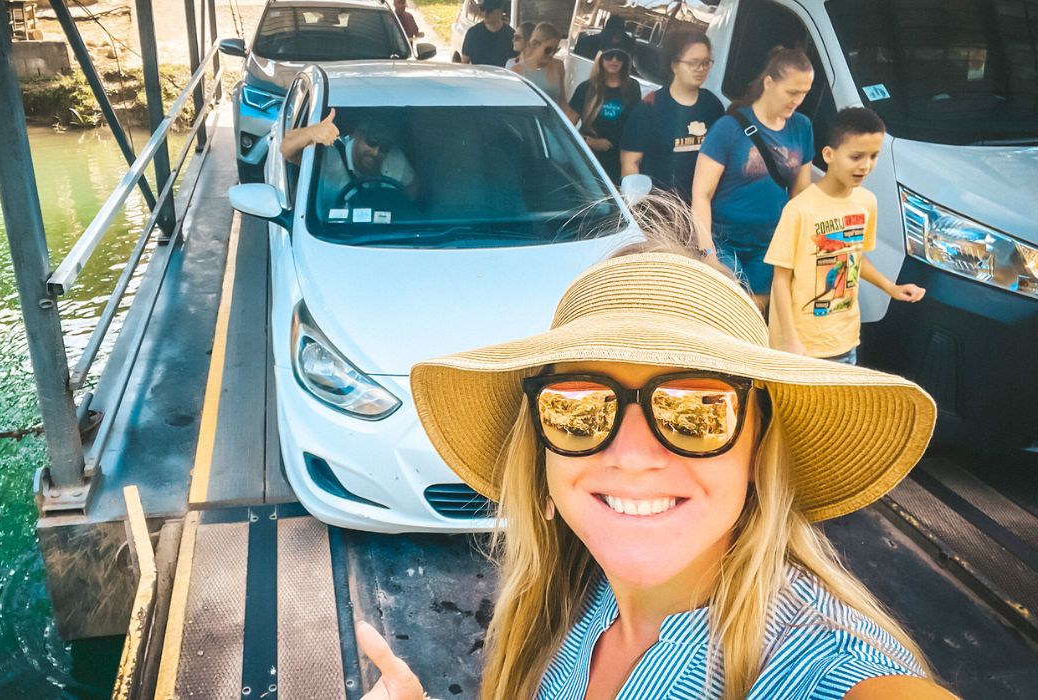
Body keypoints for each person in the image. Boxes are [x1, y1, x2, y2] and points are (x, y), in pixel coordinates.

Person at [355, 242, 956, 700]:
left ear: (759, 453)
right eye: (578, 408)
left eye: (697, 409)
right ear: (543, 468)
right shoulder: (568, 608)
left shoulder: (832, 671)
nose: (634, 456)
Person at [765, 107, 925, 365]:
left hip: (845, 340)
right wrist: (790, 340)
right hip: (800, 348)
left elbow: (854, 257)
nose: (866, 165)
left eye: (874, 156)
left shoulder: (866, 202)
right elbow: (780, 279)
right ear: (828, 154)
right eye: (856, 156)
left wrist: (891, 288)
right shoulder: (799, 209)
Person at [692, 47, 816, 311]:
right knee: (724, 313)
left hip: (769, 246)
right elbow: (701, 195)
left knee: (754, 315)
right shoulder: (728, 128)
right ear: (769, 83)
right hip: (724, 241)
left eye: (804, 93)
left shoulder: (802, 127)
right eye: (792, 92)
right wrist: (708, 254)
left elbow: (801, 195)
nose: (798, 100)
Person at [620, 31, 724, 200]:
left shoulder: (712, 105)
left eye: (706, 63)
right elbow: (630, 163)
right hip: (659, 210)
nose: (701, 69)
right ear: (674, 64)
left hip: (700, 209)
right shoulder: (650, 106)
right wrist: (640, 208)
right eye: (693, 63)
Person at [281, 109, 418, 206]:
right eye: (372, 142)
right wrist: (311, 132)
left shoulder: (394, 157)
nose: (376, 152)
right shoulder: (330, 156)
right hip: (329, 232)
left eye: (384, 147)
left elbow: (414, 185)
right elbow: (287, 150)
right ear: (356, 134)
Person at [568, 48, 642, 184]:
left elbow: (636, 125)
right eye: (609, 55)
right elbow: (565, 127)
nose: (614, 60)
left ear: (626, 61)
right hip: (590, 161)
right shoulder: (585, 88)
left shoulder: (633, 87)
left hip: (620, 161)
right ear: (600, 58)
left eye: (620, 56)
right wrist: (589, 141)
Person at [510, 22, 569, 113]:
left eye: (556, 50)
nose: (551, 54)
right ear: (535, 44)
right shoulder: (517, 71)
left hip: (551, 122)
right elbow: (513, 108)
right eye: (548, 50)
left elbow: (563, 103)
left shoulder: (558, 66)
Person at [460, 0, 515, 67]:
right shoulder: (473, 33)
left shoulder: (511, 35)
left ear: (500, 10)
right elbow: (464, 63)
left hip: (502, 76)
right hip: (478, 76)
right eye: (482, 9)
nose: (485, 14)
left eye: (489, 10)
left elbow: (516, 64)